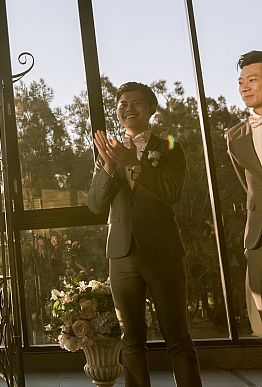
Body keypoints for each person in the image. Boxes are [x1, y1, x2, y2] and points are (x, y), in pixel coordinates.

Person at [88, 82, 202, 387]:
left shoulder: (169, 147)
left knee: (177, 337)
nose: (128, 109)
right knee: (131, 339)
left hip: (163, 251)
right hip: (121, 254)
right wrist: (109, 166)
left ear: (151, 108)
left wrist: (135, 164)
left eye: (136, 103)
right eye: (122, 104)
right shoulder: (108, 152)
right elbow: (95, 205)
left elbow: (171, 193)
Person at [227, 50, 262, 333]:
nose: (244, 88)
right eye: (241, 82)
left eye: (252, 79)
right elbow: (248, 186)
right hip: (259, 237)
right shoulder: (235, 136)